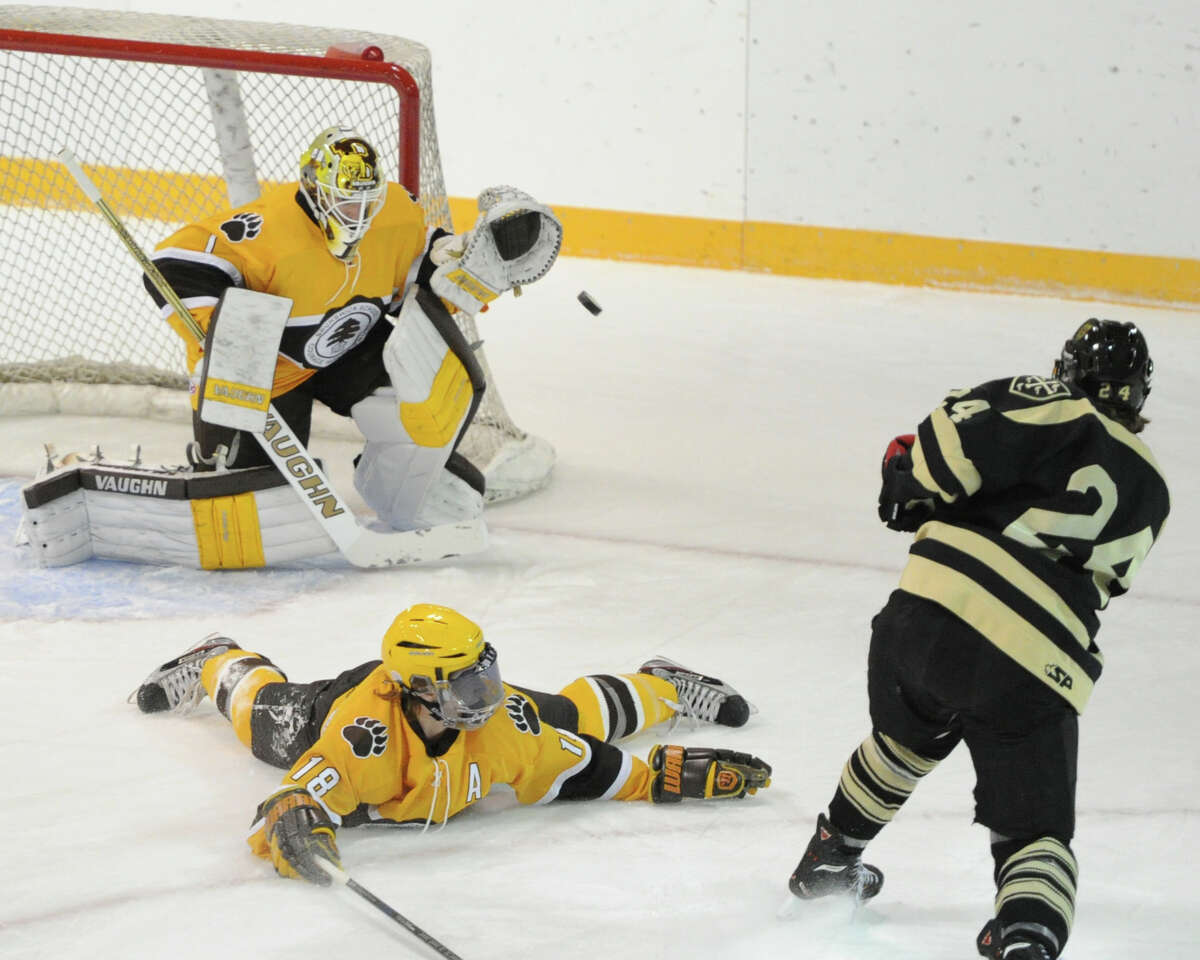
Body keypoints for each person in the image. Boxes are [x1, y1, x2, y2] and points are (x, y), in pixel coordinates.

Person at [785, 319, 1169, 960]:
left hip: (926, 616)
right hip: (1034, 658)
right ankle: (1024, 939)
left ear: (1068, 370)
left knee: (903, 742)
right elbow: (1105, 579)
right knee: (1035, 834)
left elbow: (944, 440)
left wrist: (912, 483)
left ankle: (829, 860)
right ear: (1137, 394)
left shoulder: (1048, 400)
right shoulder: (1153, 487)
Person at [133, 603, 771, 884]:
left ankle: (661, 684)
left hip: (419, 720)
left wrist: (656, 776)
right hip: (330, 708)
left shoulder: (492, 720)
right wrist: (291, 823)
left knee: (571, 714)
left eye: (485, 674)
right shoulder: (360, 744)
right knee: (260, 715)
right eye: (468, 685)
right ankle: (221, 656)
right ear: (417, 690)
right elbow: (295, 797)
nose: (488, 695)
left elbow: (584, 766)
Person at [144, 124, 561, 533]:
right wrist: (229, 338)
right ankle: (218, 463)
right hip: (271, 374)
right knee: (251, 502)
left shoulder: (394, 213)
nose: (358, 216)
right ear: (313, 189)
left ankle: (413, 489)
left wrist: (457, 261)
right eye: (345, 203)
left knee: (432, 390)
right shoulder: (268, 229)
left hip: (349, 351)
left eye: (367, 202)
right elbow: (171, 266)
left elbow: (418, 275)